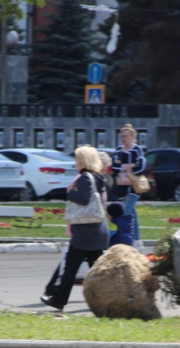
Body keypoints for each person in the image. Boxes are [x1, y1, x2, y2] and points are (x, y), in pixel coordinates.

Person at [41, 145, 108, 311]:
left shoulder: (85, 177)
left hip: (85, 233)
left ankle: (58, 300)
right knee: (97, 273)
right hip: (97, 231)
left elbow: (84, 199)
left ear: (83, 161)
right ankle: (107, 301)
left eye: (77, 159)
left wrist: (70, 192)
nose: (75, 162)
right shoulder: (99, 177)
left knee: (70, 269)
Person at [110, 123, 146, 247]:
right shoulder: (118, 150)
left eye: (126, 136)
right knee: (132, 214)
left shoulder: (137, 150)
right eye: (122, 136)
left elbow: (141, 166)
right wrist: (125, 166)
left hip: (134, 187)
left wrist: (129, 167)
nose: (123, 139)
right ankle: (138, 240)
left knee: (125, 211)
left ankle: (125, 239)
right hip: (122, 187)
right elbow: (113, 167)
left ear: (132, 136)